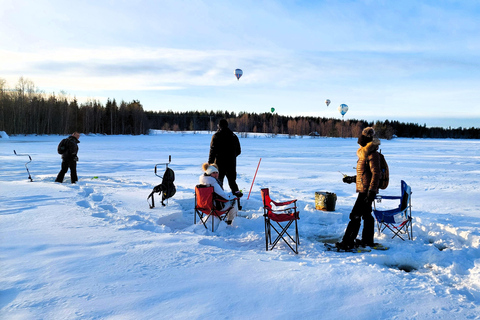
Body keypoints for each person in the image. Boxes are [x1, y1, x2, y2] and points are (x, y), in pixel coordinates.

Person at [336, 127, 381, 250]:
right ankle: (367, 240)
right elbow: (364, 174)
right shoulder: (364, 153)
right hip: (365, 189)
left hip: (367, 191)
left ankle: (348, 242)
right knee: (366, 215)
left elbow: (376, 174)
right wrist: (352, 179)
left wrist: (371, 192)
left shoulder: (372, 154)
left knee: (355, 215)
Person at [208, 119, 242, 198]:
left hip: (219, 164)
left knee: (219, 183)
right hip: (231, 164)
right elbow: (239, 151)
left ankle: (219, 203)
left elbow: (212, 151)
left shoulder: (216, 136)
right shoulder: (233, 136)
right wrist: (231, 156)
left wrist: (210, 164)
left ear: (219, 126)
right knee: (233, 183)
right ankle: (237, 200)